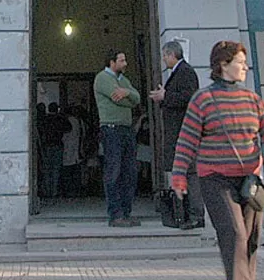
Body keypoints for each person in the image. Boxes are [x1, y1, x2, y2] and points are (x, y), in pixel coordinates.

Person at [171, 40, 264, 280]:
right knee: (234, 235)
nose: (246, 67)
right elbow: (187, 140)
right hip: (216, 180)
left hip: (250, 181)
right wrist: (179, 176)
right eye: (240, 62)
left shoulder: (252, 99)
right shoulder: (203, 100)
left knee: (250, 240)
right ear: (223, 64)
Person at [150, 39, 203, 229]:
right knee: (184, 172)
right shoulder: (178, 72)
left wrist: (166, 96)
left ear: (172, 54)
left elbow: (190, 97)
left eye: (165, 55)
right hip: (179, 132)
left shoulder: (185, 71)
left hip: (184, 132)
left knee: (190, 173)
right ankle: (187, 215)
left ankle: (195, 215)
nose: (163, 59)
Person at [93, 48, 141, 227]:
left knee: (129, 172)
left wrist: (127, 93)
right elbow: (117, 99)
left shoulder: (124, 81)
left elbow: (135, 98)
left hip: (126, 129)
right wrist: (127, 96)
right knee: (114, 171)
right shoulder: (102, 78)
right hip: (111, 129)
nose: (125, 63)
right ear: (112, 62)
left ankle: (126, 212)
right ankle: (115, 215)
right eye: (121, 60)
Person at [39, 102, 70, 198]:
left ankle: (47, 191)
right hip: (57, 144)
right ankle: (54, 191)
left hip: (46, 145)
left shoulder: (45, 119)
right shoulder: (60, 119)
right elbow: (68, 128)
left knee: (47, 169)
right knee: (56, 169)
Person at [60, 103, 84, 197]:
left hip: (68, 148)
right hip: (77, 148)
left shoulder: (68, 121)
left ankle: (69, 191)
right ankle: (76, 191)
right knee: (76, 170)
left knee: (68, 171)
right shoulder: (79, 121)